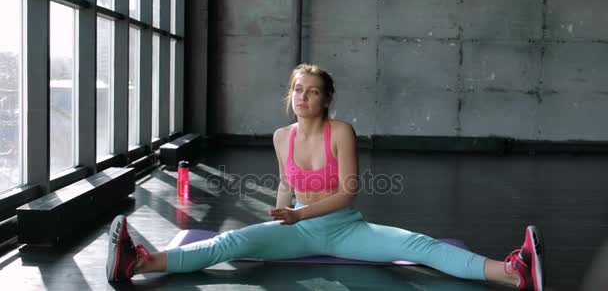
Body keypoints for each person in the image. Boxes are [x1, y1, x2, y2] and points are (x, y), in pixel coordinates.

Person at [106, 63, 545, 290]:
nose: (303, 97)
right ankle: (139, 263)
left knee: (421, 246)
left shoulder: (342, 132)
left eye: (313, 91)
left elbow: (349, 194)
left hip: (342, 231)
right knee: (229, 243)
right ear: (290, 94)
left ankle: (512, 273)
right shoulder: (282, 136)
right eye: (298, 89)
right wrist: (277, 213)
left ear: (326, 99)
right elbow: (284, 183)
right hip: (295, 229)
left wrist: (300, 216)